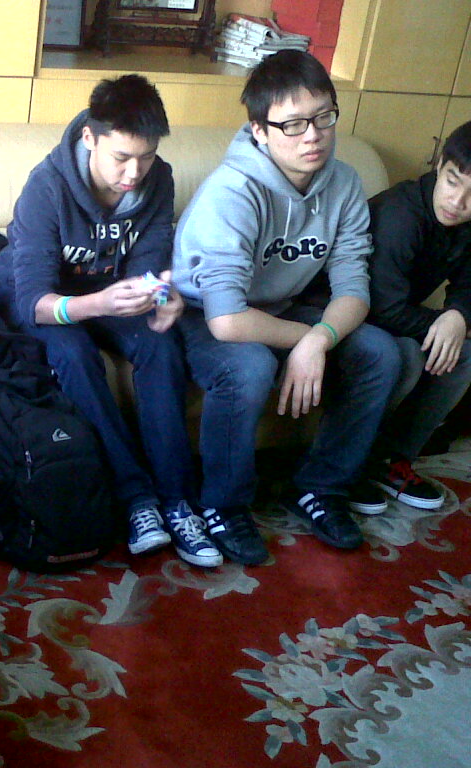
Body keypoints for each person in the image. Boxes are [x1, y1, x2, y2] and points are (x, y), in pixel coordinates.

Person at [171, 50, 401, 565]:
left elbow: (353, 288)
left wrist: (320, 338)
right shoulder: (233, 193)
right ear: (260, 131)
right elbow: (226, 321)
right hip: (198, 312)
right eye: (292, 124)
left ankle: (320, 487)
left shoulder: (344, 183)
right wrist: (307, 340)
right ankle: (223, 504)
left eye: (323, 117)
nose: (312, 136)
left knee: (380, 353)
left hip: (280, 307)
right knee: (249, 366)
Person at [0, 75, 221, 568]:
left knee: (161, 343)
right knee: (73, 352)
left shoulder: (158, 179)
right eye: (121, 157)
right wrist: (98, 303)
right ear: (89, 138)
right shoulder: (47, 186)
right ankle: (135, 498)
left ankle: (177, 501)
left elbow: (150, 262)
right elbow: (32, 300)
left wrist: (165, 295)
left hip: (112, 291)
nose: (134, 172)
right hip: (46, 298)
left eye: (147, 157)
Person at [361, 120, 471, 509]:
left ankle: (391, 459)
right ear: (439, 165)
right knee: (404, 354)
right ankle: (352, 462)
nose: (458, 202)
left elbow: (469, 282)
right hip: (343, 312)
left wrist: (458, 315)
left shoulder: (465, 220)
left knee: (463, 355)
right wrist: (447, 325)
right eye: (453, 181)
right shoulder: (402, 214)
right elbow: (384, 309)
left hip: (392, 316)